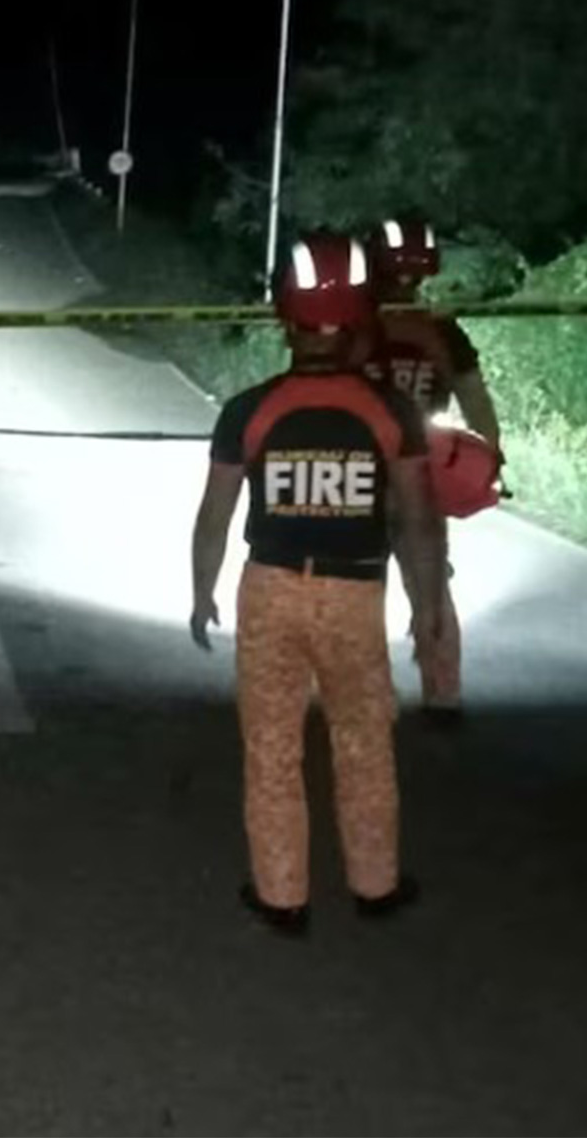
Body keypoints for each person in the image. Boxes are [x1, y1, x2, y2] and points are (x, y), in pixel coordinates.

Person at [190, 232, 445, 936]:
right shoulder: (390, 411)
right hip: (355, 594)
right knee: (363, 740)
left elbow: (215, 516)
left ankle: (282, 898)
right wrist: (429, 609)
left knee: (272, 748)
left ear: (283, 316)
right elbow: (418, 522)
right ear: (361, 314)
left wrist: (201, 591)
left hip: (269, 591)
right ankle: (376, 887)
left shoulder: (249, 410)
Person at [361, 217, 503, 724]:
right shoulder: (443, 330)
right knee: (431, 584)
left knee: (359, 583)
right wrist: (491, 457)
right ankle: (444, 693)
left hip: (366, 472)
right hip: (422, 473)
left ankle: (363, 692)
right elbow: (477, 404)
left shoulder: (354, 326)